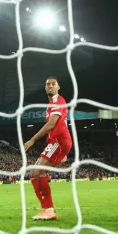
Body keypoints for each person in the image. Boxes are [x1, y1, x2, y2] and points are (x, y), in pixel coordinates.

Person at [24, 77, 73, 221]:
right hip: (56, 142)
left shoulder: (58, 101)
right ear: (45, 88)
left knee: (37, 171)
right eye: (48, 84)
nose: (50, 86)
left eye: (53, 84)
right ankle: (46, 209)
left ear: (58, 87)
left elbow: (51, 124)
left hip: (59, 141)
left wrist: (32, 140)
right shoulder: (52, 103)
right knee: (33, 172)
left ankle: (49, 209)